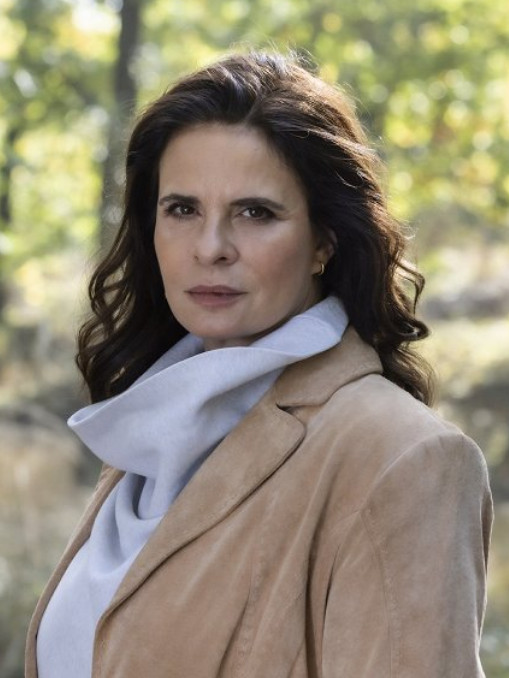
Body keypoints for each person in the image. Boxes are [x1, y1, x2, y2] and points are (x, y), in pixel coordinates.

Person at [26, 51, 492, 677]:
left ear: (324, 240)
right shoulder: (151, 434)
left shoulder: (404, 458)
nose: (211, 247)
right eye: (182, 209)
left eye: (256, 213)